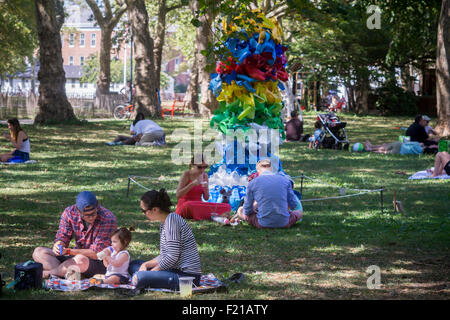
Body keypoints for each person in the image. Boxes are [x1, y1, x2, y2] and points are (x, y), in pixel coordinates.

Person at [32, 191, 117, 279]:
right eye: (86, 215)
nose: (91, 217)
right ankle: (69, 273)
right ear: (78, 210)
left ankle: (50, 273)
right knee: (38, 252)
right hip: (75, 258)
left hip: (99, 262)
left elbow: (97, 253)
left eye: (93, 213)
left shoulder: (108, 219)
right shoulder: (70, 212)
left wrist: (69, 251)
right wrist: (59, 244)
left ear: (97, 206)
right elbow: (63, 235)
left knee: (80, 259)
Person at [129, 189, 202, 290]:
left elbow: (172, 257)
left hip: (186, 277)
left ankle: (142, 277)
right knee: (134, 264)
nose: (143, 214)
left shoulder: (172, 221)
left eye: (144, 211)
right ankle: (144, 276)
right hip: (173, 270)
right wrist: (145, 264)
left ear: (155, 209)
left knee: (141, 277)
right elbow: (165, 255)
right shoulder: (164, 222)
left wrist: (153, 271)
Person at [236, 159, 303, 228]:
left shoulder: (253, 183)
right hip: (284, 222)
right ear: (271, 168)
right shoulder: (285, 180)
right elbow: (293, 204)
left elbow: (247, 210)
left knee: (240, 210)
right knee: (299, 212)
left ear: (257, 170)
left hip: (262, 223)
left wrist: (254, 208)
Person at [176, 154, 231, 220]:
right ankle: (209, 215)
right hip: (186, 205)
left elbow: (206, 198)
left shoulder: (205, 176)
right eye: (199, 167)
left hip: (198, 205)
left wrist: (205, 189)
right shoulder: (187, 174)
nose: (202, 170)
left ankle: (208, 215)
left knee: (227, 206)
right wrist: (192, 184)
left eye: (205, 167)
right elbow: (178, 195)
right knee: (189, 204)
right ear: (193, 165)